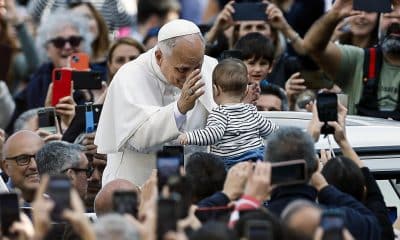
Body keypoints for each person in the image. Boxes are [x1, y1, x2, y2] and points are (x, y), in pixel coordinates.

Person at [95, 19, 218, 185]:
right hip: (136, 183)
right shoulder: (129, 76)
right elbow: (136, 138)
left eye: (197, 67)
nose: (190, 76)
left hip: (192, 184)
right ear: (160, 56)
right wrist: (179, 109)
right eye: (182, 69)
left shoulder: (211, 67)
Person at [303, 0, 400, 119]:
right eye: (388, 16)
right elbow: (311, 46)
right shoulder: (358, 60)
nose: (395, 21)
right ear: (379, 21)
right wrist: (335, 13)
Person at [179, 58, 278, 169]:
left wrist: (189, 136)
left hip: (231, 164)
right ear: (246, 90)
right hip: (257, 159)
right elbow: (271, 131)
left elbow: (212, 135)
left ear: (215, 90)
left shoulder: (220, 113)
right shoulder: (252, 111)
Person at [2, 130, 44, 203]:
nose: (34, 166)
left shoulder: (63, 200)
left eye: (40, 156)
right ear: (7, 167)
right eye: (23, 159)